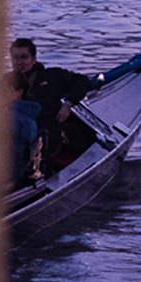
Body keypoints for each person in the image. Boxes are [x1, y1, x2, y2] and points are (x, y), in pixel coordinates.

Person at [9, 38, 90, 178]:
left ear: (34, 59)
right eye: (15, 58)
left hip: (48, 135)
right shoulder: (6, 81)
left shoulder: (52, 76)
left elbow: (83, 81)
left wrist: (68, 104)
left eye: (24, 57)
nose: (19, 62)